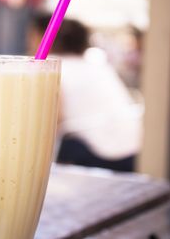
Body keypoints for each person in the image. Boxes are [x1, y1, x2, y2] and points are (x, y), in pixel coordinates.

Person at [29, 13, 142, 172]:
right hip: (133, 148)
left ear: (43, 36)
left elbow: (53, 119)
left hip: (97, 153)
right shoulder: (95, 64)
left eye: (32, 35)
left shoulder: (51, 67)